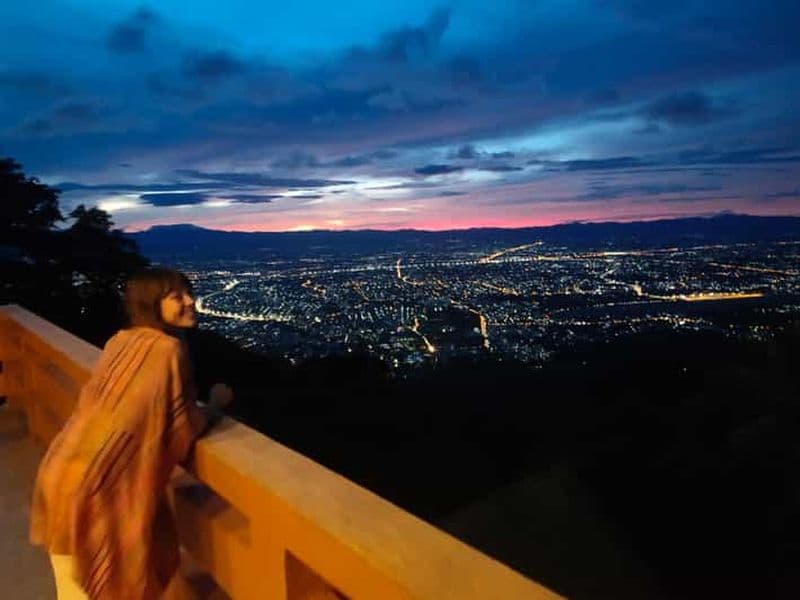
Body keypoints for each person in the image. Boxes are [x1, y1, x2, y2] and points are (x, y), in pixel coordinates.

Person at [29, 267, 233, 599]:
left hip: (61, 472)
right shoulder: (169, 350)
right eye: (176, 296)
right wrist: (215, 404)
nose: (190, 301)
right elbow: (183, 428)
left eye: (188, 292)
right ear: (152, 303)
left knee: (72, 589)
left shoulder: (118, 341)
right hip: (98, 488)